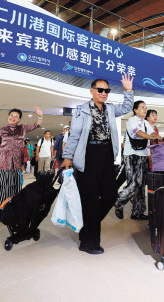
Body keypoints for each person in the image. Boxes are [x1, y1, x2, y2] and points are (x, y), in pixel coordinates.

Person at [62, 75, 134, 255]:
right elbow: (74, 135)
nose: (104, 93)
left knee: (110, 195)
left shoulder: (110, 109)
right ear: (92, 91)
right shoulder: (81, 110)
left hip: (107, 155)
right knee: (90, 200)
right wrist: (67, 157)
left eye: (106, 90)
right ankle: (88, 243)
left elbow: (126, 107)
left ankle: (87, 226)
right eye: (100, 90)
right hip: (88, 155)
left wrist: (128, 91)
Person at [0, 107, 43, 212]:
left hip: (16, 162)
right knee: (0, 184)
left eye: (16, 116)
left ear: (19, 119)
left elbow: (36, 124)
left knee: (15, 185)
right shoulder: (2, 130)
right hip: (1, 161)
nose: (12, 118)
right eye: (11, 115)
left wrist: (40, 115)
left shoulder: (22, 128)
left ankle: (11, 205)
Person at [115, 101, 159, 220]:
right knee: (134, 182)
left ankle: (137, 212)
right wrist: (151, 137)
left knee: (141, 185)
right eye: (142, 107)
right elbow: (138, 133)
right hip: (132, 154)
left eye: (145, 107)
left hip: (143, 154)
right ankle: (119, 201)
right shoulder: (132, 121)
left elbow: (152, 132)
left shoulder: (145, 122)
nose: (145, 109)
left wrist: (158, 137)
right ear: (135, 110)